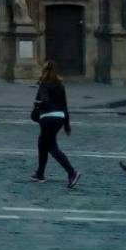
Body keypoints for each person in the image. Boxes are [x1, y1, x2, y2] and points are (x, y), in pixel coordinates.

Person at [30, 60, 81, 189]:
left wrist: (38, 105)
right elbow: (65, 106)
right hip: (59, 118)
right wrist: (67, 125)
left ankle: (72, 172)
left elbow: (44, 101)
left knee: (52, 147)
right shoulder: (60, 85)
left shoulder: (44, 84)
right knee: (42, 142)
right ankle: (40, 173)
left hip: (47, 118)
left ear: (44, 71)